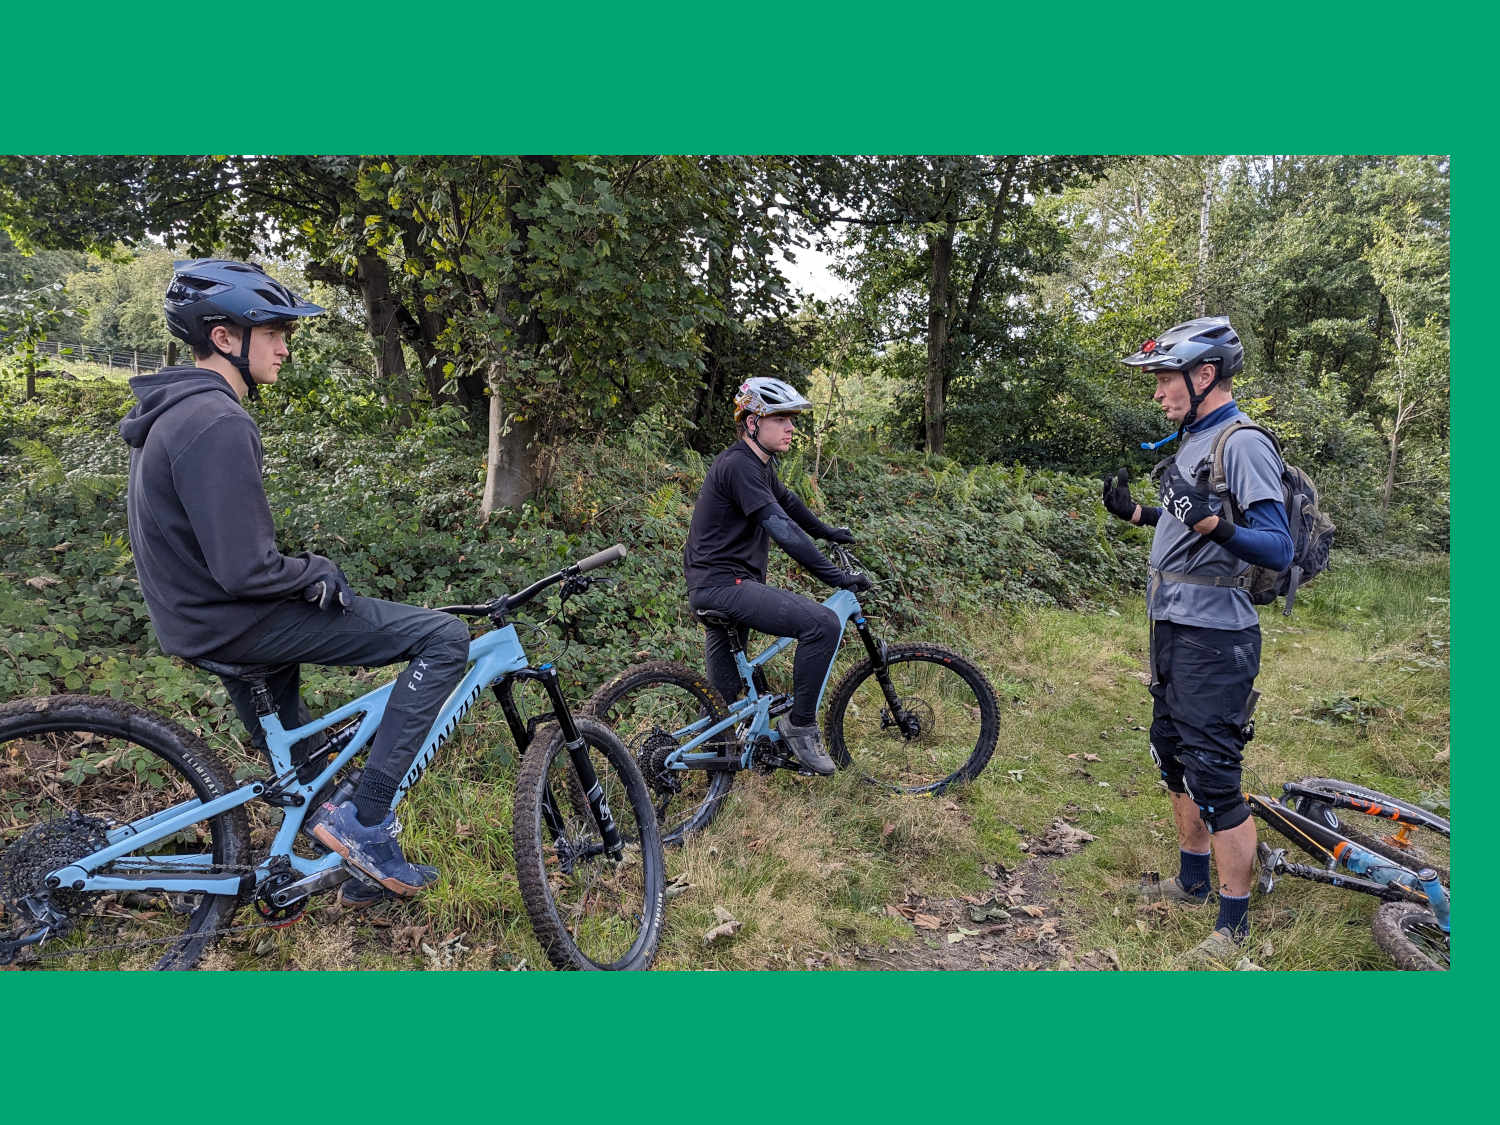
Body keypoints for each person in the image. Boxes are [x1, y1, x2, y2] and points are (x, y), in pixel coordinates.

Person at [118, 259, 472, 903]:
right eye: (273, 330)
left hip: (199, 621)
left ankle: (355, 866)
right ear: (224, 336)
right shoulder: (217, 421)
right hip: (237, 619)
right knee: (445, 637)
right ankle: (364, 823)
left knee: (301, 750)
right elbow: (245, 569)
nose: (285, 346)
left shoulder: (173, 414)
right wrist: (314, 569)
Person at [1103, 317, 1294, 962]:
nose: (1158, 392)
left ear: (1203, 374)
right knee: (1173, 757)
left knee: (1214, 774)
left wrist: (1207, 519)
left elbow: (1275, 544)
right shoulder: (1196, 441)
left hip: (1218, 638)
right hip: (1173, 627)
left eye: (1164, 379)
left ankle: (1232, 923)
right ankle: (1189, 881)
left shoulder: (1242, 443)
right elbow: (1192, 523)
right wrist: (1140, 515)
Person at [682, 377, 871, 775]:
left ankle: (711, 775)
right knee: (822, 624)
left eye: (792, 419)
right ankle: (800, 727)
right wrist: (835, 577)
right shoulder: (738, 465)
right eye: (780, 418)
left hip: (714, 587)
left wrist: (826, 532)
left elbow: (788, 503)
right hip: (724, 586)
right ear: (751, 421)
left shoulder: (758, 465)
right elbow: (780, 528)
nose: (791, 427)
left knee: (722, 694)